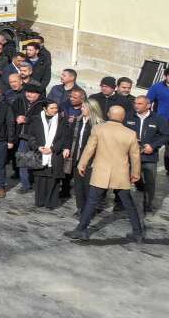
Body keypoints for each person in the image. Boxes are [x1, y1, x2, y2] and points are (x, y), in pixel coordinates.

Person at [66, 105, 145, 243]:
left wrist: (82, 164)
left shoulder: (98, 129)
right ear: (123, 117)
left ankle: (81, 230)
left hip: (101, 171)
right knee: (129, 204)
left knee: (91, 202)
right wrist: (135, 173)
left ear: (108, 114)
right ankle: (138, 233)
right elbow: (135, 156)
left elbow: (89, 148)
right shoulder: (130, 133)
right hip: (121, 173)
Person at [124, 96, 167, 214]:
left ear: (148, 105)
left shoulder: (158, 119)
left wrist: (153, 146)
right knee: (125, 179)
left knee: (149, 181)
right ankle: (121, 203)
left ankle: (147, 204)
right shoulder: (128, 117)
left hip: (149, 157)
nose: (136, 105)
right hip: (130, 156)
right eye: (135, 103)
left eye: (140, 103)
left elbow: (165, 135)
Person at [27, 100, 72, 209]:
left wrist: (52, 149)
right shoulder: (36, 119)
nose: (55, 110)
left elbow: (65, 137)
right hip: (40, 153)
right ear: (45, 108)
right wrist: (38, 147)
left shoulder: (62, 120)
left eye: (56, 108)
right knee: (40, 178)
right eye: (52, 108)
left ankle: (51, 203)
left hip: (55, 154)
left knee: (53, 179)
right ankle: (40, 201)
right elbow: (31, 136)